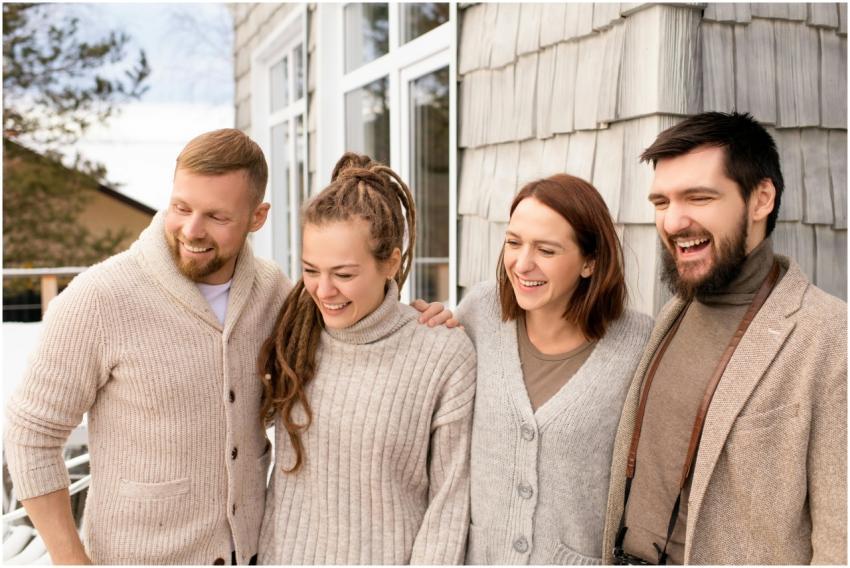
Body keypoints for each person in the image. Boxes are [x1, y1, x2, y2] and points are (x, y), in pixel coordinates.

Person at [3, 130, 452, 565]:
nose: (192, 230)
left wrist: (417, 319)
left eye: (217, 217)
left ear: (257, 217)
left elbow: (352, 310)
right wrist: (68, 559)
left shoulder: (275, 293)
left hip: (254, 555)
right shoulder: (99, 298)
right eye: (181, 207)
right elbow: (31, 434)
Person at [603, 112, 847, 565]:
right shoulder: (671, 316)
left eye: (698, 197)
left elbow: (842, 543)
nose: (673, 222)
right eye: (661, 202)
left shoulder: (831, 337)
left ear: (761, 200)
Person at [257, 153, 476, 565]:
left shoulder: (442, 354)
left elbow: (449, 503)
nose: (323, 291)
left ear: (391, 262)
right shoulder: (291, 335)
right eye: (310, 270)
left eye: (344, 274)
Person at [455, 174, 652, 564]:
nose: (522, 263)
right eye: (513, 243)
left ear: (589, 262)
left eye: (546, 250)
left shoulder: (638, 343)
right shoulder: (479, 313)